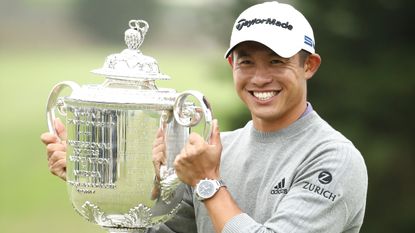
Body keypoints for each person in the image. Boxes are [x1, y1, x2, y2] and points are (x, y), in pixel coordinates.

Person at [41, 1, 368, 232]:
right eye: (247, 62)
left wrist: (207, 182)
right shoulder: (218, 150)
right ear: (232, 66)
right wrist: (97, 180)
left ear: (308, 66)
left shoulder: (334, 159)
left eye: (276, 61)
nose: (260, 77)